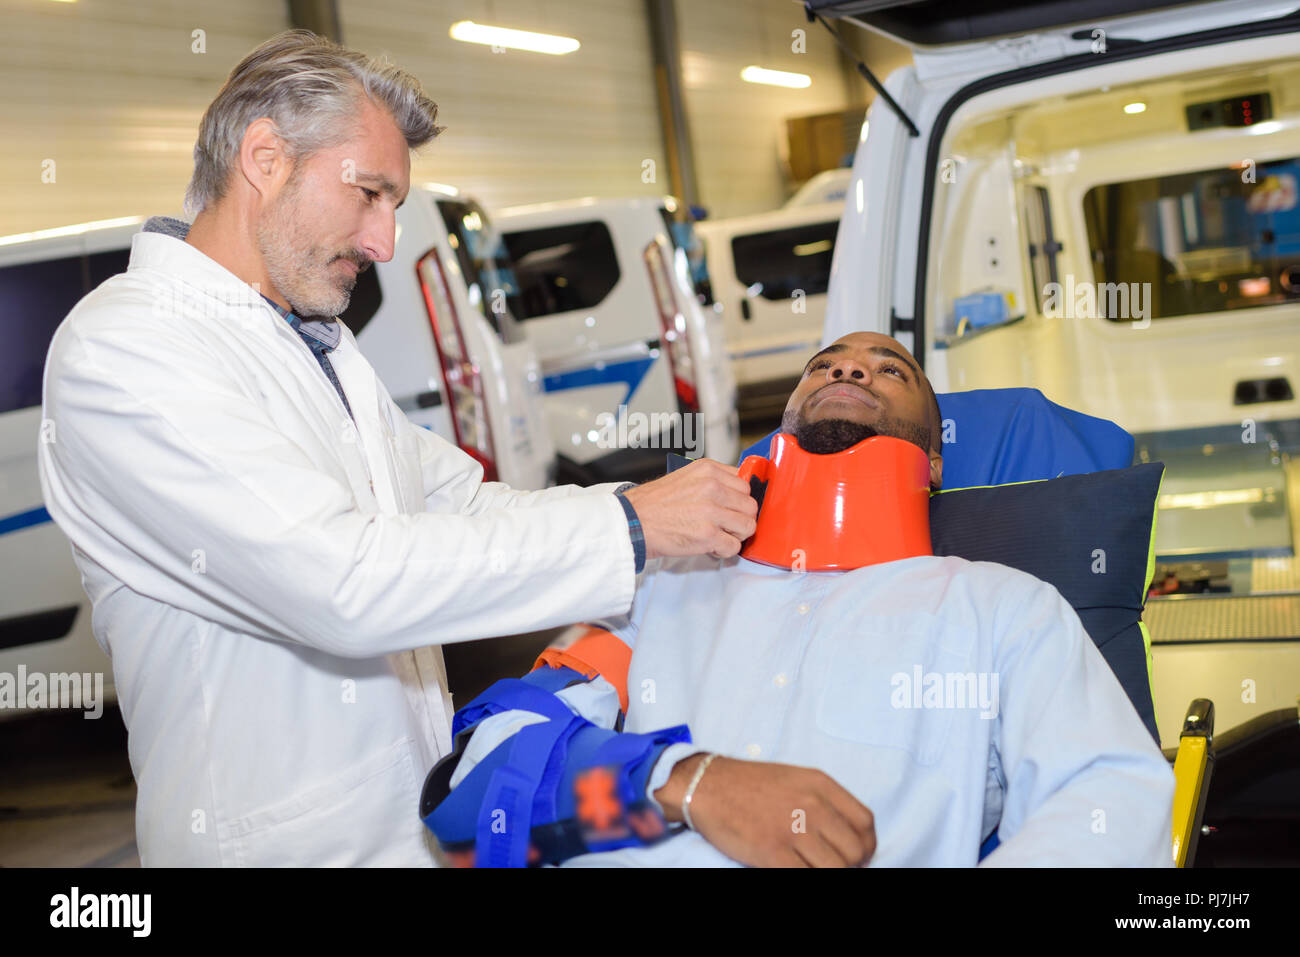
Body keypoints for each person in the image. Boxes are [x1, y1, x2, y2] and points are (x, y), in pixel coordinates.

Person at [36, 30, 755, 867]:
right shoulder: (125, 349)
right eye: (369, 194)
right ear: (265, 158)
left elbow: (459, 501)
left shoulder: (316, 343)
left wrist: (658, 521)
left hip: (399, 830)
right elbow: (340, 578)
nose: (382, 244)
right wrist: (628, 529)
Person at [422, 331, 1176, 867]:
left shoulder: (1004, 609)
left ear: (936, 459)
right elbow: (479, 777)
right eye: (826, 364)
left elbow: (1110, 795)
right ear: (783, 420)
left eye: (891, 368)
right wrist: (683, 782)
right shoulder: (661, 589)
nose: (851, 367)